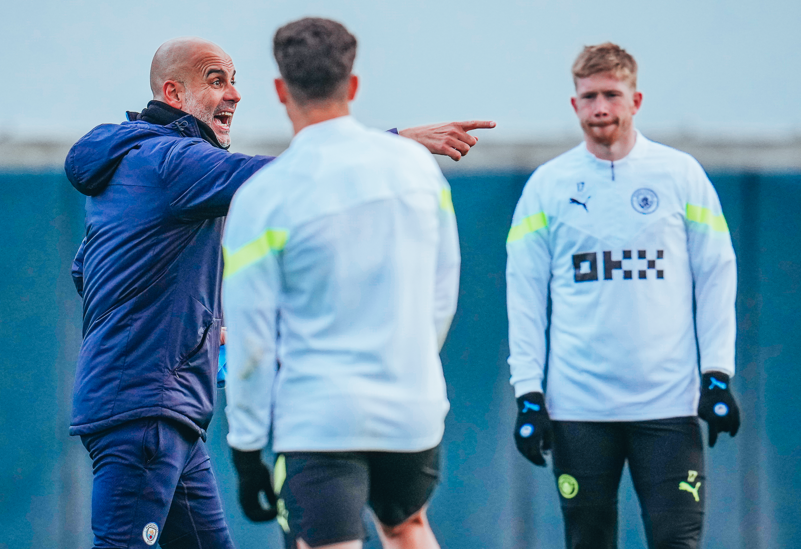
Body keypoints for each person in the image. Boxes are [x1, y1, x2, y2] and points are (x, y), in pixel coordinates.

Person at [64, 36, 491, 549]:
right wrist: (395, 143)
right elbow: (286, 179)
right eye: (216, 80)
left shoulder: (134, 160)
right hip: (146, 407)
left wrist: (198, 319)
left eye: (235, 79)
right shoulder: (171, 160)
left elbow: (85, 271)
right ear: (173, 93)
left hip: (164, 404)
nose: (234, 94)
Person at [222, 17, 468, 549]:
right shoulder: (416, 168)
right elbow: (443, 287)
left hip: (319, 416)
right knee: (407, 527)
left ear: (280, 91)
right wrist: (412, 361)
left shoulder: (263, 197)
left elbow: (250, 339)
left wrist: (245, 450)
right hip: (412, 405)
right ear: (352, 85)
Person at [505, 43, 741, 548]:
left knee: (678, 542)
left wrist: (717, 375)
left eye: (612, 94)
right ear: (574, 106)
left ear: (636, 99)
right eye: (589, 97)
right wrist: (528, 394)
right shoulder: (547, 186)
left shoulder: (680, 175)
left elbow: (717, 274)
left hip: (668, 406)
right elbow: (523, 294)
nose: (601, 109)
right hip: (578, 410)